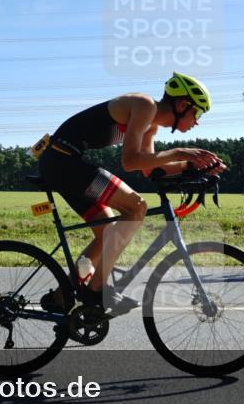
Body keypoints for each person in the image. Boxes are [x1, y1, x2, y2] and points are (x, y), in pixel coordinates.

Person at [37, 72, 226, 315]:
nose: (197, 122)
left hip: (62, 164)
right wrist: (180, 152)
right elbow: (130, 161)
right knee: (136, 207)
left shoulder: (151, 124)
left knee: (107, 233)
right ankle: (97, 290)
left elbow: (149, 168)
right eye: (197, 114)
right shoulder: (144, 105)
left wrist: (194, 166)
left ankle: (61, 297)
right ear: (182, 105)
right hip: (64, 162)